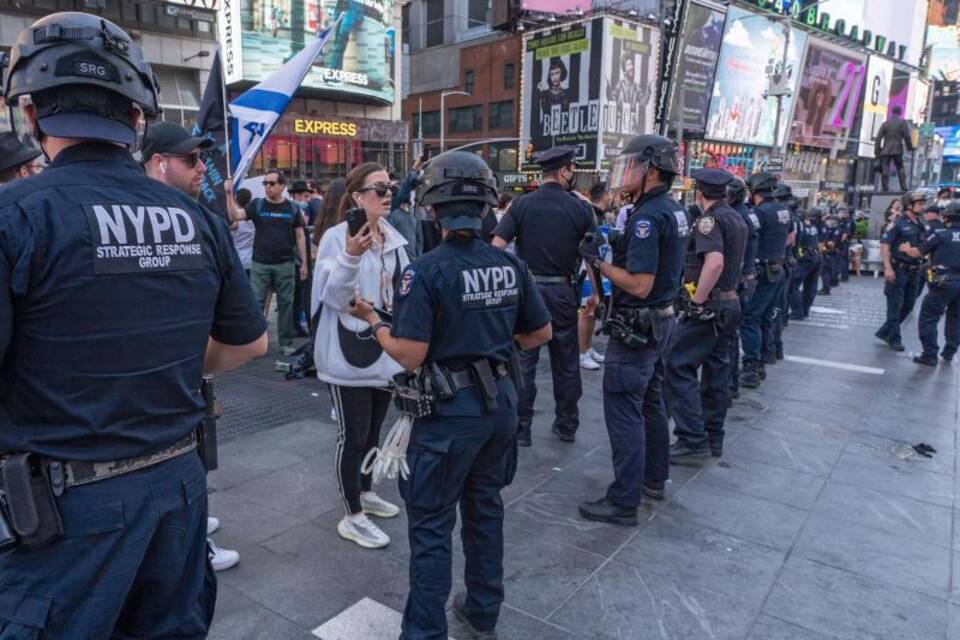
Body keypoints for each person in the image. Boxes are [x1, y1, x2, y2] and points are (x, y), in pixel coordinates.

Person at [0, 12, 268, 637]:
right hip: (177, 488)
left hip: (66, 510)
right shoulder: (194, 215)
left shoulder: (16, 214)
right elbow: (249, 343)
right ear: (136, 117)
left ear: (33, 114)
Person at [347, 151, 551, 639]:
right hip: (499, 405)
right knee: (485, 509)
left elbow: (410, 355)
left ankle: (423, 633)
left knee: (433, 527)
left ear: (433, 208)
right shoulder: (509, 265)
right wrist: (488, 348)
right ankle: (482, 610)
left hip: (448, 417)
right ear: (486, 206)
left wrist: (375, 322)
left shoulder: (426, 271)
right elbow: (539, 332)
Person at [140, 121, 242, 573]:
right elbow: (251, 339)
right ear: (158, 163)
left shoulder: (201, 217)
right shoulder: (194, 222)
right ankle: (192, 539)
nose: (202, 168)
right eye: (190, 160)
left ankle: (193, 528)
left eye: (202, 158)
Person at [577, 134, 688, 523]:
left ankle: (624, 499)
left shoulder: (646, 217)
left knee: (625, 409)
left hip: (638, 329)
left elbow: (639, 283)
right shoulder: (673, 210)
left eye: (632, 167)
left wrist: (600, 264)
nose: (625, 174)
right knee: (652, 402)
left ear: (652, 170)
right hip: (661, 322)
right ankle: (654, 479)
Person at [311, 162, 408, 549]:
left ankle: (365, 492)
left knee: (372, 431)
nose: (388, 195)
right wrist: (351, 256)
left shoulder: (393, 237)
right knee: (352, 436)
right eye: (380, 188)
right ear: (358, 197)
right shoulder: (338, 238)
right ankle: (352, 514)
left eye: (391, 187)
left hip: (384, 353)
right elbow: (333, 298)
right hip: (347, 355)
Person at [494, 146, 597, 446]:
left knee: (525, 360)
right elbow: (592, 256)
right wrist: (598, 295)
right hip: (564, 291)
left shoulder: (522, 204)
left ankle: (521, 428)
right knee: (566, 362)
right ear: (564, 171)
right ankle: (567, 424)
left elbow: (497, 245)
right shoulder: (581, 208)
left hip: (528, 290)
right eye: (572, 169)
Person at [666, 168, 747, 463]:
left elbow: (713, 263)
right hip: (730, 302)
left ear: (699, 193)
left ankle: (691, 439)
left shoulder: (708, 220)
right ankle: (712, 436)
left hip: (711, 305)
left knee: (677, 363)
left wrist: (698, 301)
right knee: (717, 370)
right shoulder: (737, 217)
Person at [227, 169, 308, 355]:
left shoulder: (293, 208)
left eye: (271, 184)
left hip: (285, 264)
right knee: (256, 304)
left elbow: (300, 237)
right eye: (265, 183)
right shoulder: (257, 205)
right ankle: (255, 344)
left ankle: (286, 344)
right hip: (260, 264)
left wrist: (303, 263)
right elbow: (235, 216)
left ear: (282, 186)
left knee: (286, 304)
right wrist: (229, 193)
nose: (267, 187)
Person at [739, 171, 793, 389]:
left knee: (750, 318)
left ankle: (751, 367)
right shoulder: (783, 210)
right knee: (764, 319)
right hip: (777, 268)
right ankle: (762, 360)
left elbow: (747, 240)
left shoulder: (759, 213)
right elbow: (790, 237)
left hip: (762, 272)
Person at [902, 202, 960, 366]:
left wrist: (906, 248)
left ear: (946, 217)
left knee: (929, 316)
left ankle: (930, 354)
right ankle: (949, 351)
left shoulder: (941, 234)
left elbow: (918, 252)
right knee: (956, 317)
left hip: (944, 282)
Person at [875, 190, 928, 351]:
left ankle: (885, 332)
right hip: (899, 269)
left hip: (915, 270)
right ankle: (894, 338)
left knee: (909, 305)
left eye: (923, 203)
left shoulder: (920, 224)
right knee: (895, 305)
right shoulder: (897, 223)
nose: (922, 206)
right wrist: (888, 268)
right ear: (909, 205)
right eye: (919, 204)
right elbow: (885, 245)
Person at [727, 177, 760, 400]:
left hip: (738, 280)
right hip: (750, 276)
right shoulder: (749, 213)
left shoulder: (735, 216)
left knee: (729, 335)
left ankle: (729, 385)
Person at [790, 207, 823, 320]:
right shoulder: (811, 226)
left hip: (805, 257)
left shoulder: (799, 225)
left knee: (793, 285)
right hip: (816, 256)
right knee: (810, 286)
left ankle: (797, 312)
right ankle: (805, 311)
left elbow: (793, 241)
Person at [873, 105, 914, 192]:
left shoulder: (885, 124)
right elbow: (907, 136)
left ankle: (885, 188)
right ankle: (903, 187)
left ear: (892, 112)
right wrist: (910, 147)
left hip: (886, 150)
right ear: (900, 112)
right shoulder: (902, 123)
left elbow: (878, 138)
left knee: (885, 168)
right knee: (900, 167)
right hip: (897, 149)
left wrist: (876, 152)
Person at [818, 212, 842, 296]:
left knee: (826, 271)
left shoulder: (837, 230)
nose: (829, 222)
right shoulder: (829, 229)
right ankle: (827, 286)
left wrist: (823, 242)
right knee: (826, 271)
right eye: (829, 220)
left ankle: (826, 288)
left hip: (831, 253)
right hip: (827, 252)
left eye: (832, 221)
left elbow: (831, 243)